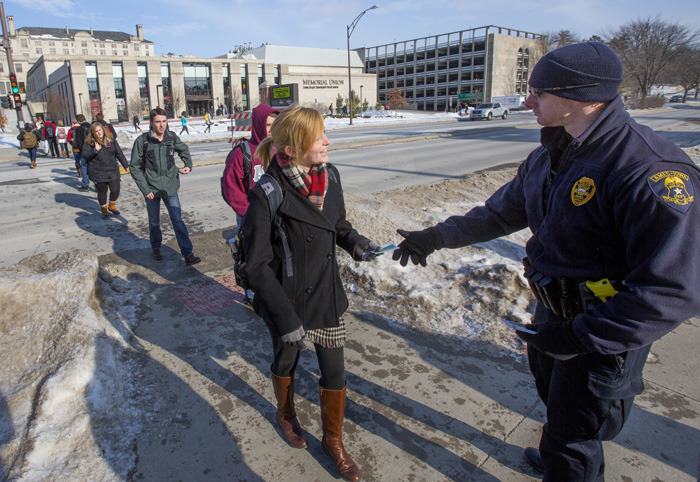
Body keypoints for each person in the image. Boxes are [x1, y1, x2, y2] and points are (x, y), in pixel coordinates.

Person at [391, 41, 700, 481]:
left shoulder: (648, 170)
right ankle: (559, 453)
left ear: (584, 99)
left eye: (539, 92)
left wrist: (581, 337)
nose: (527, 101)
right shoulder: (550, 155)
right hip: (552, 316)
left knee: (578, 436)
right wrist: (433, 237)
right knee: (557, 409)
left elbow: (673, 289)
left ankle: (568, 463)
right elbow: (499, 213)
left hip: (599, 332)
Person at [241, 105, 380, 482]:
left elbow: (338, 225)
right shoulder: (267, 192)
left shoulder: (330, 176)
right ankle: (286, 415)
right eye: (319, 137)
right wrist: (285, 319)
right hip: (287, 301)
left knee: (334, 372)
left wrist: (359, 245)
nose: (327, 141)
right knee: (285, 362)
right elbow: (255, 266)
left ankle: (333, 441)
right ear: (292, 147)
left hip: (327, 296)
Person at [222, 104, 279, 302]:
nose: (271, 130)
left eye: (275, 125)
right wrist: (249, 213)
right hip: (250, 217)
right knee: (251, 258)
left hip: (276, 216)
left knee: (275, 256)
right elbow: (230, 189)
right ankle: (253, 296)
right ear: (258, 125)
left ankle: (273, 293)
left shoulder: (280, 149)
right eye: (268, 125)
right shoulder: (243, 153)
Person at [130, 108, 201, 266]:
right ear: (151, 123)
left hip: (170, 186)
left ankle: (188, 253)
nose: (161, 125)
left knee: (177, 219)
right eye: (158, 122)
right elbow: (134, 167)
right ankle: (156, 247)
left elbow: (184, 150)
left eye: (164, 121)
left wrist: (188, 165)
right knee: (154, 221)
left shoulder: (172, 137)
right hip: (151, 189)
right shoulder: (142, 141)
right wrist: (145, 189)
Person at [81, 122, 129, 219]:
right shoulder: (90, 142)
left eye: (100, 130)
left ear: (103, 130)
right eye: (96, 131)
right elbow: (85, 155)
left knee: (116, 190)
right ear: (93, 133)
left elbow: (119, 153)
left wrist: (125, 165)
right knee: (102, 192)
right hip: (98, 171)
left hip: (112, 170)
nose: (99, 133)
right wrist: (95, 150)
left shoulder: (110, 140)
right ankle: (104, 209)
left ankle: (111, 205)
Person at [72, 114, 92, 192]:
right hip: (93, 150)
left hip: (84, 151)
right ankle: (97, 185)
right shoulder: (91, 127)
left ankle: (85, 185)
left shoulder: (79, 129)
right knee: (94, 167)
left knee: (84, 167)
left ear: (79, 121)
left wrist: (82, 150)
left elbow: (78, 142)